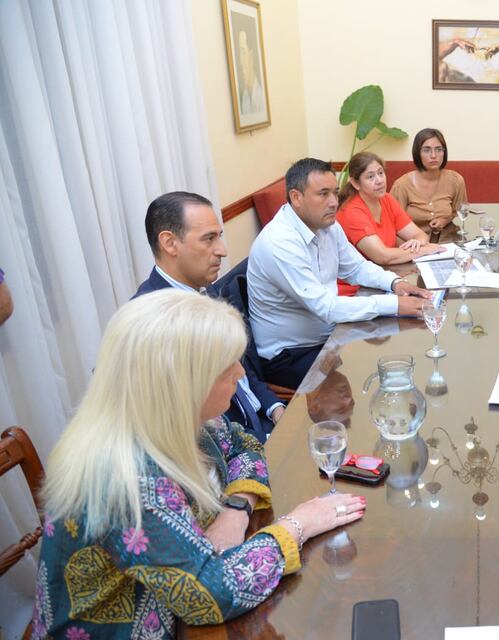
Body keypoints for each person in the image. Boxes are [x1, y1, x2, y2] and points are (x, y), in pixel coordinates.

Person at [31, 290, 366, 638]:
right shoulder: (127, 477)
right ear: (184, 383)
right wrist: (299, 523)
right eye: (227, 366)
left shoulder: (177, 417)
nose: (240, 374)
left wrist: (236, 510)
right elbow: (210, 592)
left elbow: (245, 445)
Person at [248, 157, 431, 389]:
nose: (334, 202)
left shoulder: (328, 226)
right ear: (296, 197)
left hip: (330, 336)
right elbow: (326, 307)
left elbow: (356, 267)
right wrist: (394, 305)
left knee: (397, 357)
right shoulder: (279, 242)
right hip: (291, 354)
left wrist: (395, 283)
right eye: (323, 194)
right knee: (378, 377)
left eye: (335, 193)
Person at [134, 191, 283, 442]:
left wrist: (274, 407)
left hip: (262, 422)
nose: (223, 251)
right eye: (209, 239)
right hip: (230, 448)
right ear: (169, 243)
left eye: (220, 237)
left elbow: (242, 369)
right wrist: (260, 442)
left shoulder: (205, 289)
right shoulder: (154, 324)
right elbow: (184, 426)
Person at [336, 151, 444, 265]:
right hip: (356, 281)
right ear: (355, 183)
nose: (379, 181)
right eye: (370, 177)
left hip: (385, 273)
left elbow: (419, 235)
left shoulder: (386, 199)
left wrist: (417, 243)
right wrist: (423, 250)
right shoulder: (351, 211)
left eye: (381, 173)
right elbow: (382, 256)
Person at [390, 128, 469, 235]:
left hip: (448, 242)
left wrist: (444, 220)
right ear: (417, 153)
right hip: (414, 245)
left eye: (438, 149)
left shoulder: (455, 180)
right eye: (427, 150)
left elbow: (457, 211)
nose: (433, 155)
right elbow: (393, 223)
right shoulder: (401, 185)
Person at [237, 29, 265, 116]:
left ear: (252, 56)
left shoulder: (261, 97)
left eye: (243, 52)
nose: (241, 62)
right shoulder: (244, 98)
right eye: (239, 54)